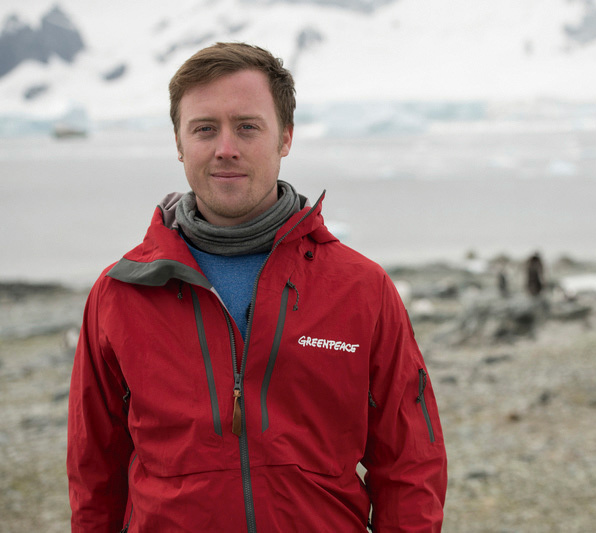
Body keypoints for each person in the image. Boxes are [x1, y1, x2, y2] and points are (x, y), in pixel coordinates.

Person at [67, 42, 447, 532]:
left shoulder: (361, 288)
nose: (226, 147)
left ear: (285, 137)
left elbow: (410, 463)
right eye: (205, 128)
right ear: (179, 143)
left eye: (247, 126)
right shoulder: (120, 294)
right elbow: (94, 474)